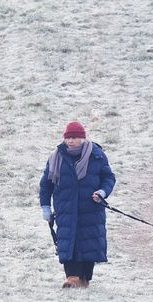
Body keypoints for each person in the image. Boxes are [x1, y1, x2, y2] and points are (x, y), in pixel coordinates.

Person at [39, 121, 116, 288]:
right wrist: (45, 206)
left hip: (91, 209)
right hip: (66, 209)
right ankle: (72, 278)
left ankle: (84, 279)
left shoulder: (96, 155)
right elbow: (46, 184)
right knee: (69, 243)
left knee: (88, 243)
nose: (70, 141)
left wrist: (102, 193)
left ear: (82, 138)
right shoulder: (56, 157)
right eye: (68, 138)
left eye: (74, 138)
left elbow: (109, 178)